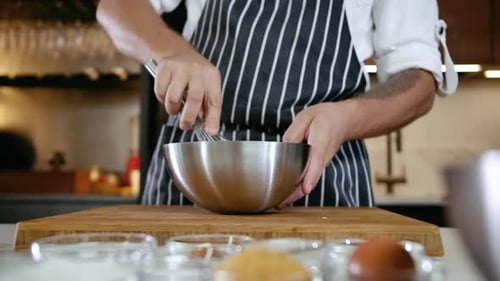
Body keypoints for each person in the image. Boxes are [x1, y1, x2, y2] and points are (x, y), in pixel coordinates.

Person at [96, 0, 458, 208]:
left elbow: (419, 80)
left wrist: (345, 117)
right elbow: (117, 6)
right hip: (195, 175)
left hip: (319, 181)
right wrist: (172, 51)